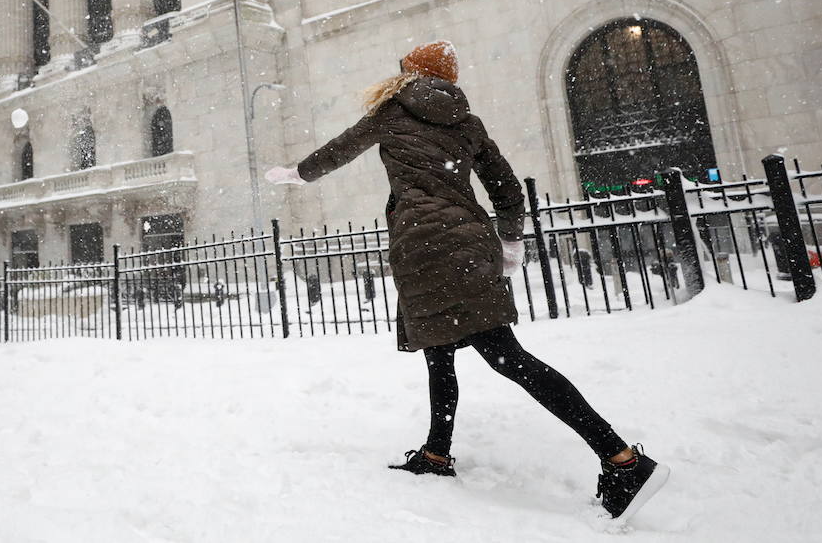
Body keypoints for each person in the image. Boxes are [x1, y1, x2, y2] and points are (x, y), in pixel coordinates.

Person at [265, 40, 667, 521]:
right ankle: (436, 454)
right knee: (442, 348)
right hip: (469, 241)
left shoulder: (392, 112)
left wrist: (298, 174)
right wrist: (511, 241)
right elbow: (506, 187)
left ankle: (623, 459)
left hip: (424, 244)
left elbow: (340, 149)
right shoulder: (466, 122)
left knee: (506, 356)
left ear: (411, 73)